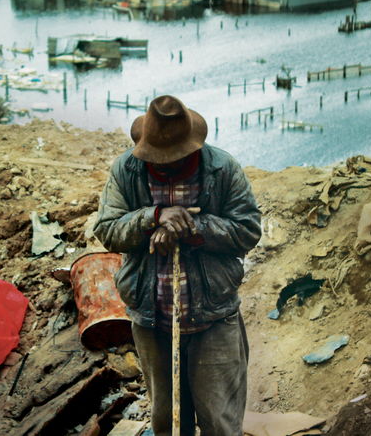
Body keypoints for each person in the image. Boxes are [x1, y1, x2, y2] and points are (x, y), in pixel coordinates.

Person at [93, 95, 262, 436]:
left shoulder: (222, 169)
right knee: (168, 421)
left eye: (176, 158)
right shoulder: (126, 170)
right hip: (153, 321)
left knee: (220, 422)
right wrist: (152, 218)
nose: (166, 164)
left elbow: (248, 230)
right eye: (158, 159)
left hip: (214, 319)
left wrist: (194, 228)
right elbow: (107, 229)